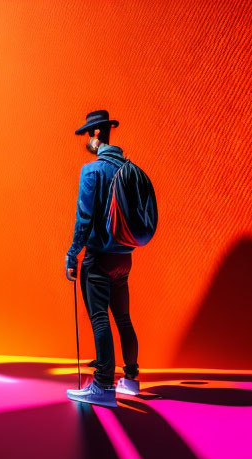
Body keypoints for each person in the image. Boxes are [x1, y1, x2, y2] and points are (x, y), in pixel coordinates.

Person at [65, 110, 140, 407]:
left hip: (98, 257)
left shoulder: (92, 171)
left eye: (87, 134)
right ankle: (131, 379)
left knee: (99, 319)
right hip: (124, 257)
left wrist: (73, 254)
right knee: (123, 317)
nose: (86, 139)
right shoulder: (128, 168)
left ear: (96, 135)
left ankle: (103, 385)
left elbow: (83, 218)